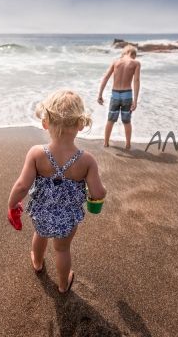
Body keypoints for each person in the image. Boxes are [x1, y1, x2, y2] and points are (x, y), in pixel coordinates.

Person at [7, 90, 106, 293]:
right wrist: (97, 193)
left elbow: (22, 186)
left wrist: (12, 204)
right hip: (68, 218)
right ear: (80, 124)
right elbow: (97, 192)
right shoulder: (86, 160)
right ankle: (63, 285)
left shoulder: (36, 153)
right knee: (62, 249)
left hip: (41, 213)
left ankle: (37, 262)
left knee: (40, 234)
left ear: (45, 123)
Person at [97, 44, 141, 149]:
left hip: (115, 94)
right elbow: (136, 81)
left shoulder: (116, 62)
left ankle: (106, 142)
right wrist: (135, 100)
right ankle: (128, 144)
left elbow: (106, 77)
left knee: (110, 120)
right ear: (133, 54)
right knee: (127, 121)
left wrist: (100, 94)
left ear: (124, 52)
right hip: (127, 94)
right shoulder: (136, 63)